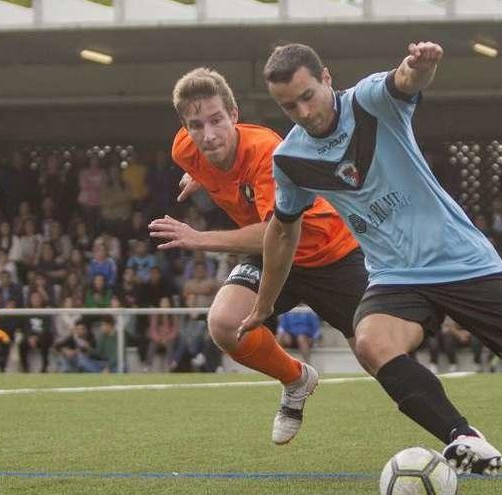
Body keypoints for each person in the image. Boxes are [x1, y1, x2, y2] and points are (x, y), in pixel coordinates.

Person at [240, 41, 502, 492]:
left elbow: (404, 81)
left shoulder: (371, 102)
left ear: (327, 79)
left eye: (307, 95)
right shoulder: (290, 161)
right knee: (371, 343)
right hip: (395, 275)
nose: (302, 111)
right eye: (287, 106)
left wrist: (420, 66)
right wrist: (264, 304)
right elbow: (281, 231)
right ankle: (462, 436)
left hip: (463, 261)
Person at [148, 66, 368, 445]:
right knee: (224, 323)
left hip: (326, 250)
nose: (208, 134)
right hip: (269, 254)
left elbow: (276, 230)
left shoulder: (266, 151)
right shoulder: (185, 149)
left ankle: (458, 434)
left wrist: (199, 239)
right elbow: (213, 165)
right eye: (196, 125)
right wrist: (201, 174)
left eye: (216, 120)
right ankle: (296, 380)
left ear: (234, 115)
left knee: (377, 353)